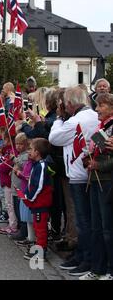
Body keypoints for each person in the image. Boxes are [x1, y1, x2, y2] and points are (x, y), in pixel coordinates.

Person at [49, 86, 99, 276]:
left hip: (79, 175)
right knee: (85, 220)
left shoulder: (76, 120)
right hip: (87, 173)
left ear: (69, 104)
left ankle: (86, 258)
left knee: (83, 221)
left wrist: (60, 119)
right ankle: (82, 255)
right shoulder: (93, 117)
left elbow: (55, 138)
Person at [79, 93, 113, 280]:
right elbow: (95, 153)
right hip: (95, 180)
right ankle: (97, 268)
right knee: (96, 227)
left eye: (101, 105)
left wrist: (98, 165)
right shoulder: (101, 127)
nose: (97, 109)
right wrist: (88, 160)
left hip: (107, 182)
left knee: (108, 229)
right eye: (97, 105)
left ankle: (110, 270)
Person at [20, 138, 53, 261]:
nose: (29, 152)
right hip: (37, 202)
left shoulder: (41, 166)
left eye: (31, 150)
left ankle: (41, 251)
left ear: (37, 152)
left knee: (40, 228)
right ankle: (39, 246)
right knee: (37, 226)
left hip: (40, 202)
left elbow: (39, 185)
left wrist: (30, 197)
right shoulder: (36, 165)